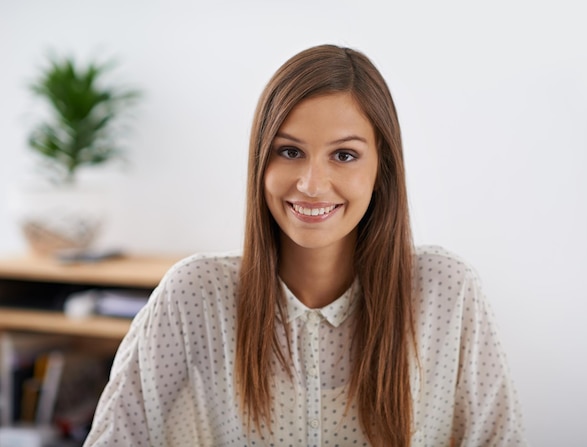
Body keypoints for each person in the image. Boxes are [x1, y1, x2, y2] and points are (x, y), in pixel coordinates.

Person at [83, 44, 527, 447]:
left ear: (382, 168)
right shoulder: (195, 293)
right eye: (290, 152)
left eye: (344, 155)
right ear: (261, 161)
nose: (312, 184)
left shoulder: (446, 292)